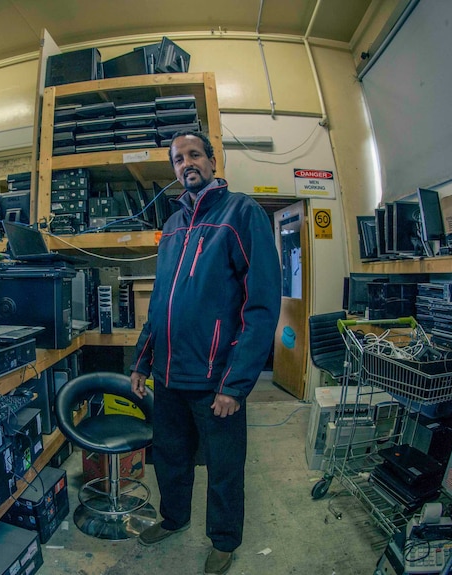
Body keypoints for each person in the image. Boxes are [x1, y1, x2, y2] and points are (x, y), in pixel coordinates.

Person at [130, 131, 281, 575]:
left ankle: (224, 541)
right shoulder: (174, 226)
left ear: (213, 162)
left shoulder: (242, 213)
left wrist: (235, 384)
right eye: (178, 159)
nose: (186, 163)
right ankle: (174, 518)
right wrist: (142, 359)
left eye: (194, 155)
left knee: (224, 468)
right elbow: (161, 302)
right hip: (169, 377)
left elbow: (261, 304)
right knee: (171, 459)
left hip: (215, 380)